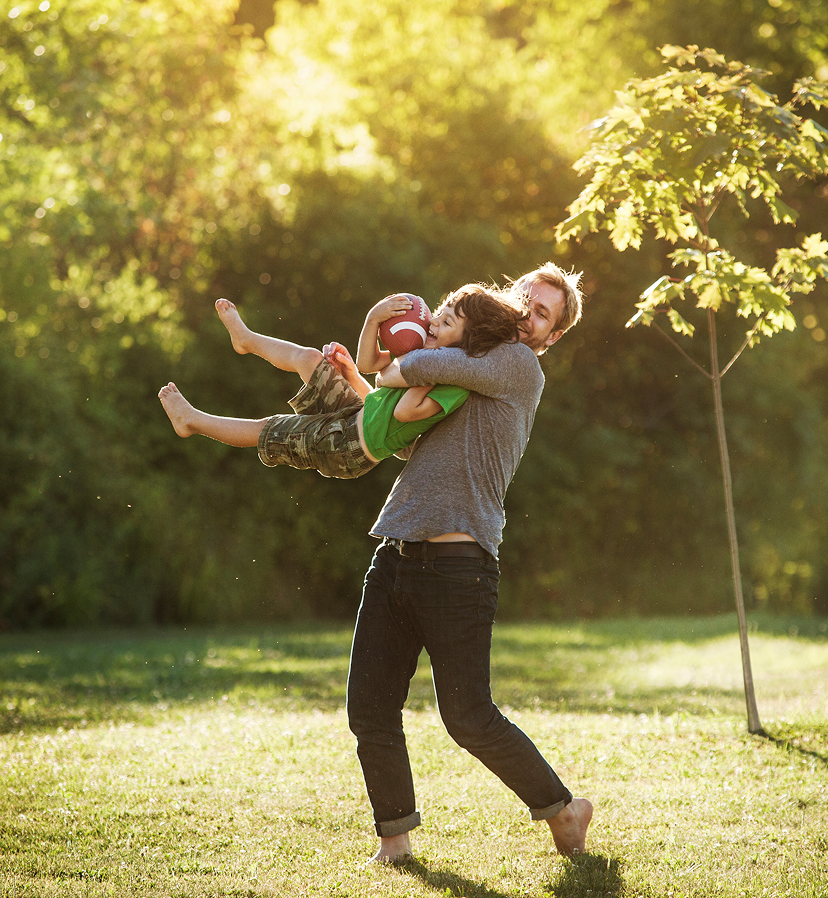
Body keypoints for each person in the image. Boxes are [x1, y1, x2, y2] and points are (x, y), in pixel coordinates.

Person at [346, 262, 593, 864]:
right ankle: (395, 839)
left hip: (459, 565)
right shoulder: (475, 360)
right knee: (369, 706)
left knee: (468, 716)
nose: (527, 314)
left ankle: (563, 809)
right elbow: (389, 379)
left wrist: (412, 356)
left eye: (542, 313)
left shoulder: (517, 366)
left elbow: (420, 365)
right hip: (396, 550)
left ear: (551, 335)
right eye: (524, 300)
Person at [158, 285, 528, 479]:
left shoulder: (452, 385)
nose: (433, 323)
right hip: (356, 414)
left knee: (269, 429)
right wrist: (372, 321)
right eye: (440, 313)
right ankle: (247, 339)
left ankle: (191, 421)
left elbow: (403, 412)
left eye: (447, 324)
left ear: (467, 343)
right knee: (310, 359)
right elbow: (371, 367)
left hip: (350, 446)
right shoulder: (423, 356)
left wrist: (428, 372)